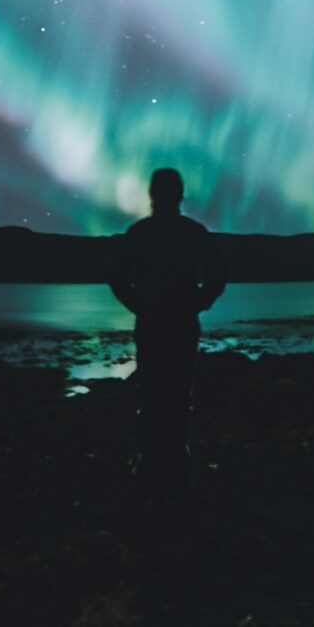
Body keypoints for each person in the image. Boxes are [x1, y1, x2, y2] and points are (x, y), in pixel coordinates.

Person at [109, 168, 226, 495]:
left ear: (152, 195)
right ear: (179, 195)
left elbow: (116, 277)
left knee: (151, 391)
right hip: (181, 323)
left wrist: (139, 305)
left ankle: (150, 462)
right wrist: (197, 302)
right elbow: (218, 276)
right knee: (178, 392)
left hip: (151, 323)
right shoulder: (193, 232)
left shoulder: (139, 233)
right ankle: (176, 462)